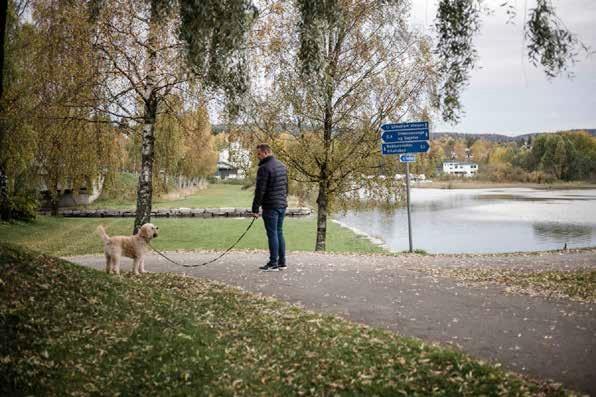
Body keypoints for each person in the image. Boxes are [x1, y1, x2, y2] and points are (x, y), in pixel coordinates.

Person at [251, 144, 288, 271]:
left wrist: (255, 209)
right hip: (282, 205)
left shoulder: (264, 168)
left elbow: (260, 190)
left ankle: (273, 263)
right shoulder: (282, 166)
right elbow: (285, 188)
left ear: (266, 152)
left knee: (273, 234)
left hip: (271, 206)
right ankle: (282, 262)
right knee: (279, 232)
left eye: (259, 154)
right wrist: (283, 201)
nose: (258, 157)